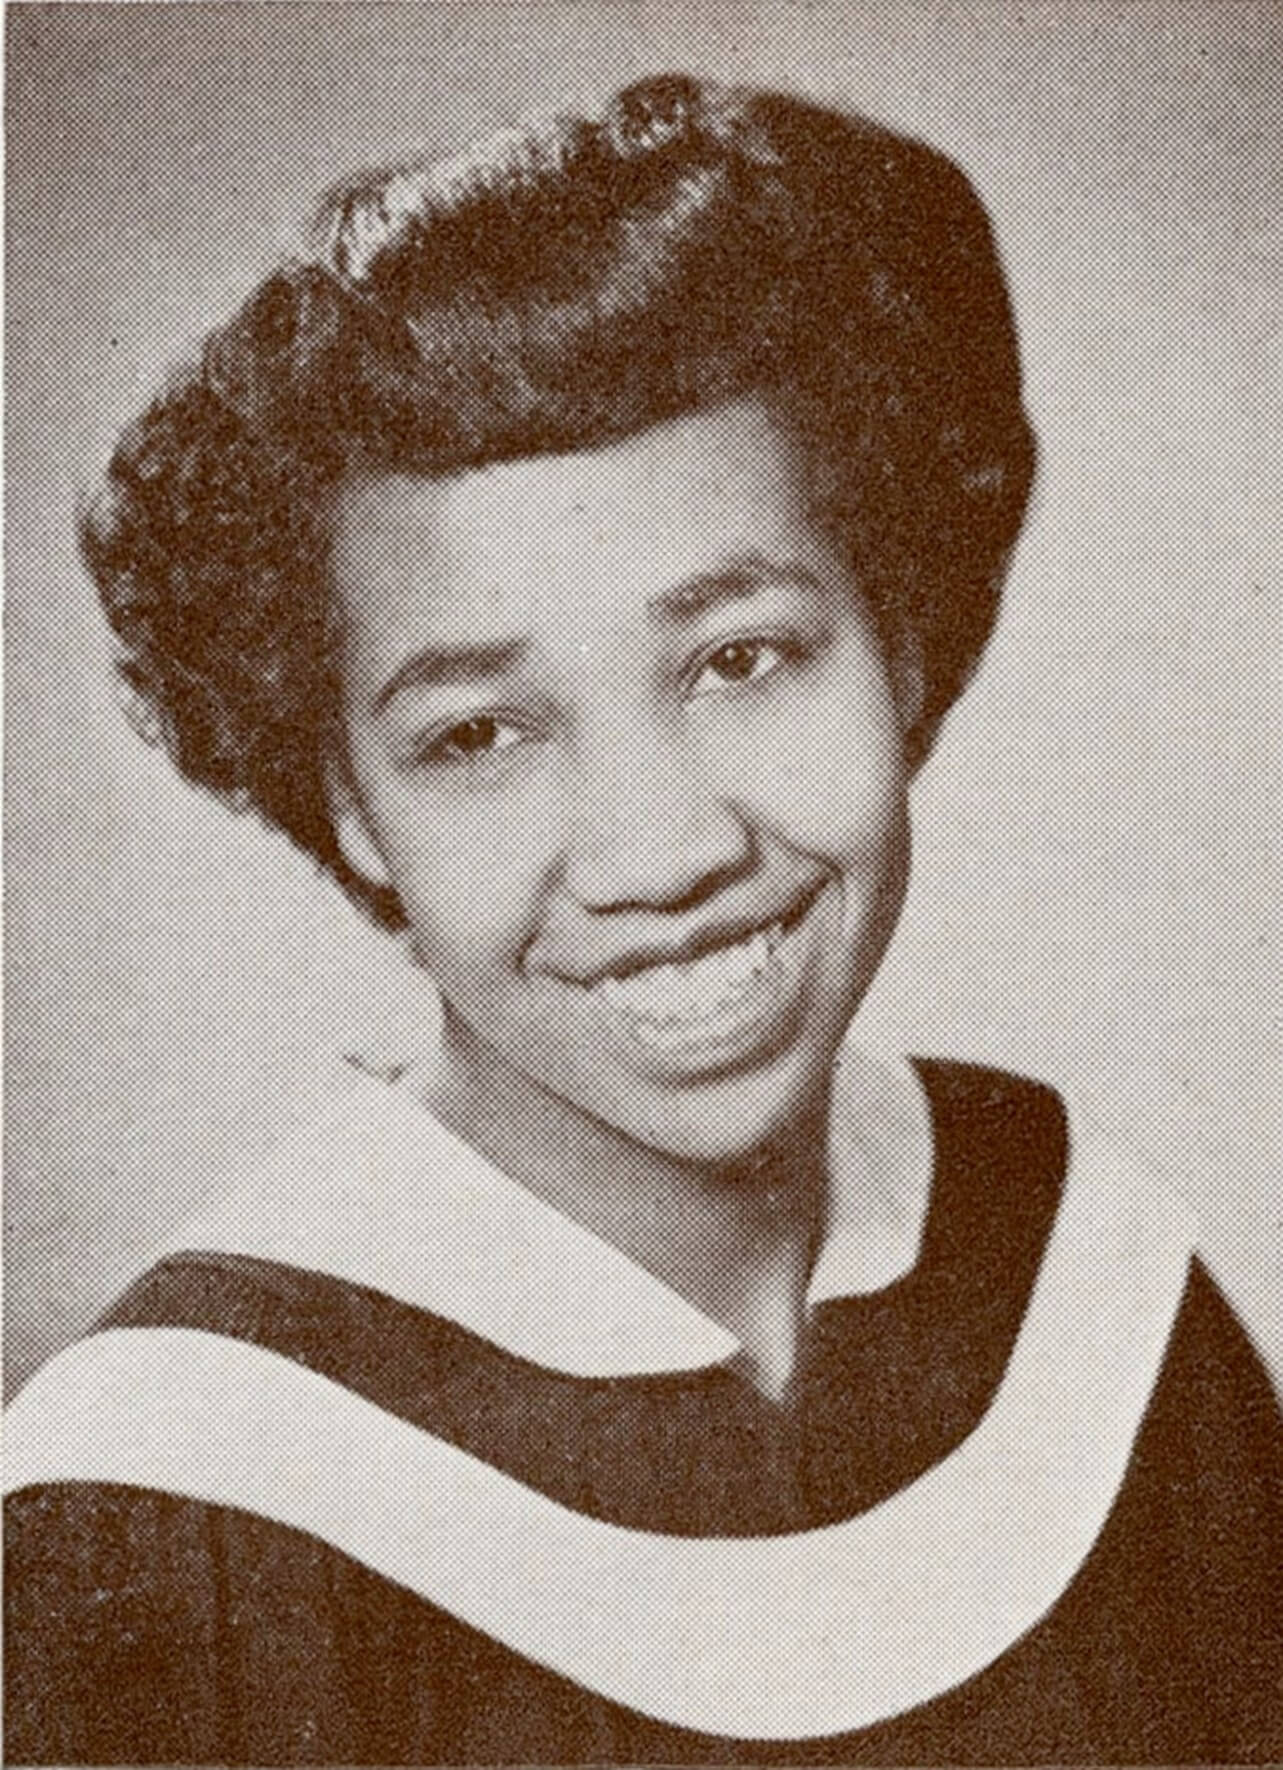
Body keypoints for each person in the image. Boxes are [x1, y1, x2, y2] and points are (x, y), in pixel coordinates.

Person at [4, 72, 1280, 1766]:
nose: (663, 849)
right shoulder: (168, 1500)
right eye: (478, 732)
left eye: (741, 655)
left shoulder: (1091, 1282)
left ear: (900, 642)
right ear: (350, 808)